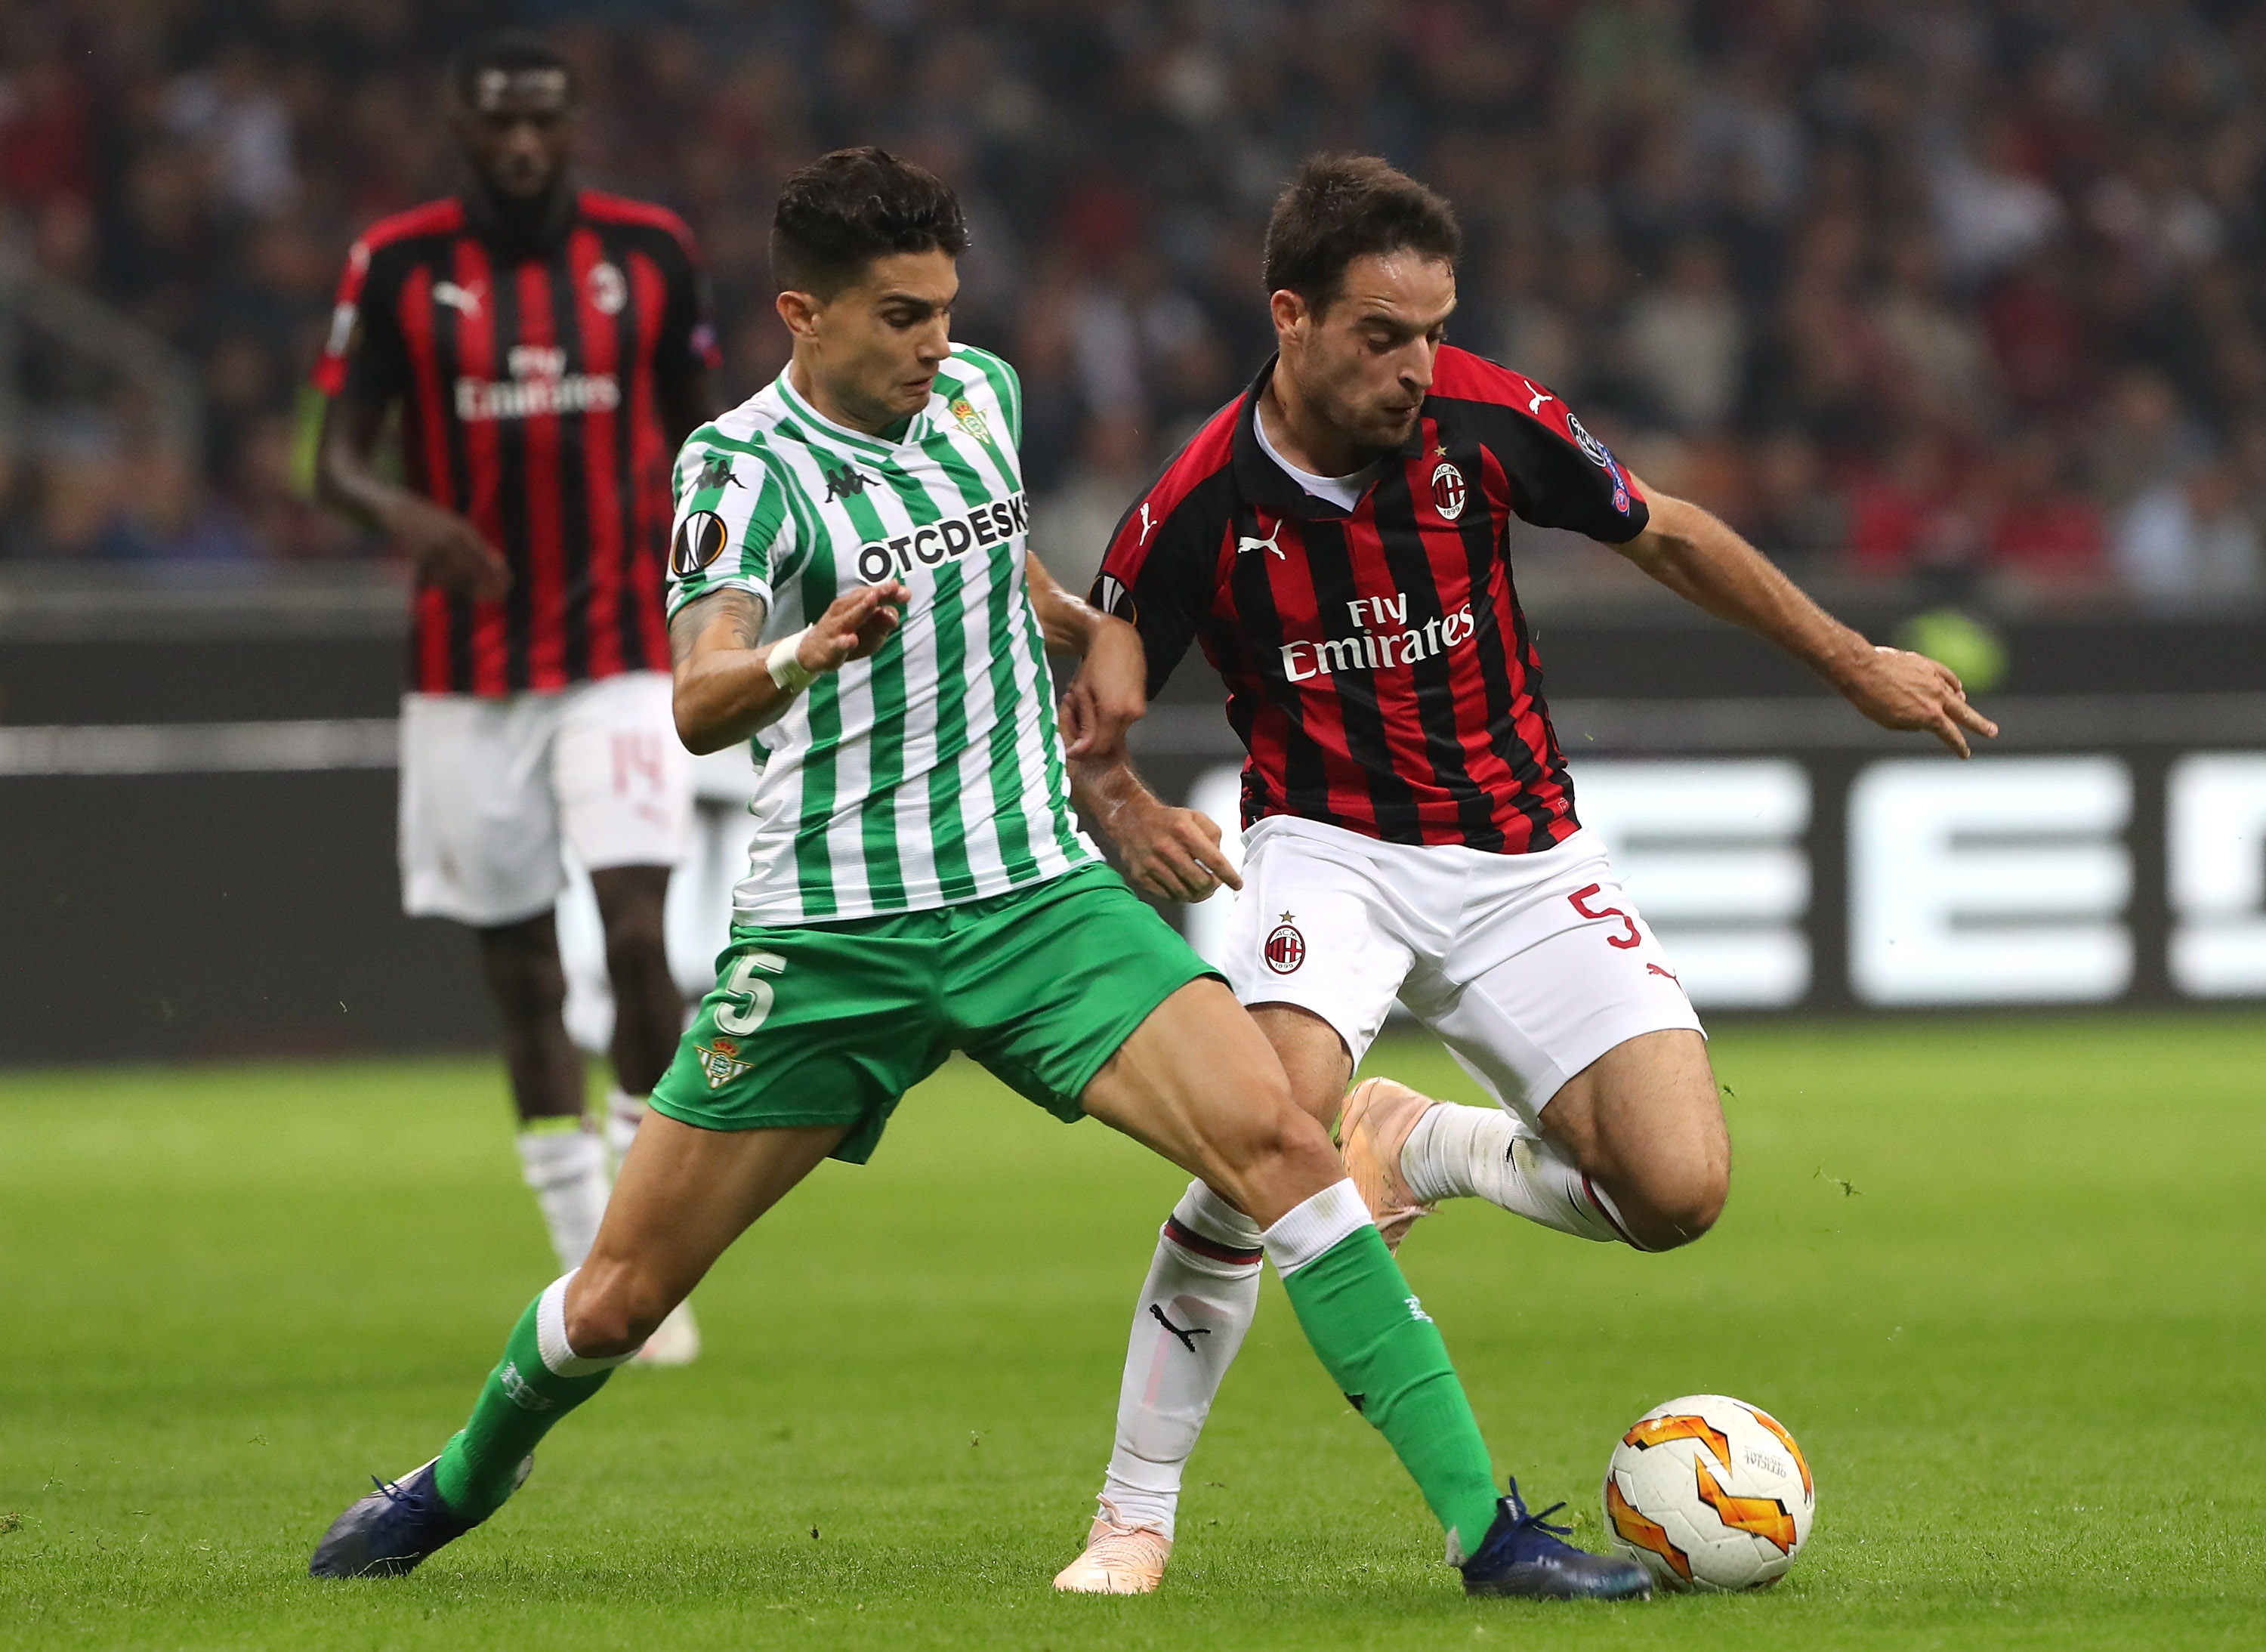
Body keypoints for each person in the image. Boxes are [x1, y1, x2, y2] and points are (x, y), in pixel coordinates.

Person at [309, 146, 1647, 1601]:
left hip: (1032, 896)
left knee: (1282, 1147)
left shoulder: (980, 397)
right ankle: (452, 1485)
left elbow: (997, 561)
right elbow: (697, 699)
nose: (934, 342)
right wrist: (803, 651)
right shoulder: (738, 469)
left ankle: (1485, 1533)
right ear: (800, 313)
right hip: (833, 932)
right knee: (626, 1295)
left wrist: (1085, 632)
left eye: (945, 307)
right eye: (899, 316)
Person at [1054, 153, 1997, 1593]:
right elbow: (1097, 730)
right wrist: (1121, 813)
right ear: (1290, 317)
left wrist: (1855, 662)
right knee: (1260, 1145)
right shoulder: (1189, 510)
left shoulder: (1489, 423)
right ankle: (1134, 1514)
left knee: (1676, 1194)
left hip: (1523, 854)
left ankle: (1424, 1143)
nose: (1417, 365)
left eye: (1434, 329)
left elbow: (1667, 532)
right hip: (1329, 855)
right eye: (1383, 334)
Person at [311, 32, 716, 1363]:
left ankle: (636, 1250)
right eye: (500, 125)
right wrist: (410, 518)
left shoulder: (648, 255)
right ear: (462, 129)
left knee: (638, 931)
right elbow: (335, 462)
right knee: (519, 968)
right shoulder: (401, 265)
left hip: (615, 653)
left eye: (544, 120)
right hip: (467, 676)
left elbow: (707, 440)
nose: (525, 146)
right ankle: (577, 1247)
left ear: (573, 121)